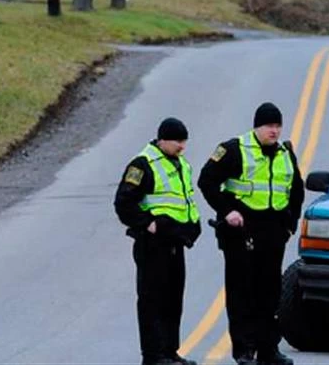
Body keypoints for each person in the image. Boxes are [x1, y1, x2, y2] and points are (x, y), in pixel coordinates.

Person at [198, 102, 304, 365]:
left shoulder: (285, 153)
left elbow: (296, 190)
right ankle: (245, 350)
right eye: (269, 126)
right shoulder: (234, 150)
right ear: (257, 126)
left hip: (273, 232)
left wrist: (289, 224)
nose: (275, 131)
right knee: (241, 293)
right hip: (240, 231)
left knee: (270, 292)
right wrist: (227, 211)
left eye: (278, 126)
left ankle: (268, 349)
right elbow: (207, 181)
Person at [114, 117, 202, 365]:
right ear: (162, 139)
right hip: (152, 245)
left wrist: (191, 227)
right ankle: (153, 356)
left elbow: (184, 200)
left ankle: (169, 351)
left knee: (173, 300)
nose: (181, 146)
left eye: (184, 141)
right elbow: (124, 202)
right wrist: (147, 224)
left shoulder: (180, 164)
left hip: (176, 243)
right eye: (177, 141)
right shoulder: (143, 164)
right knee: (152, 300)